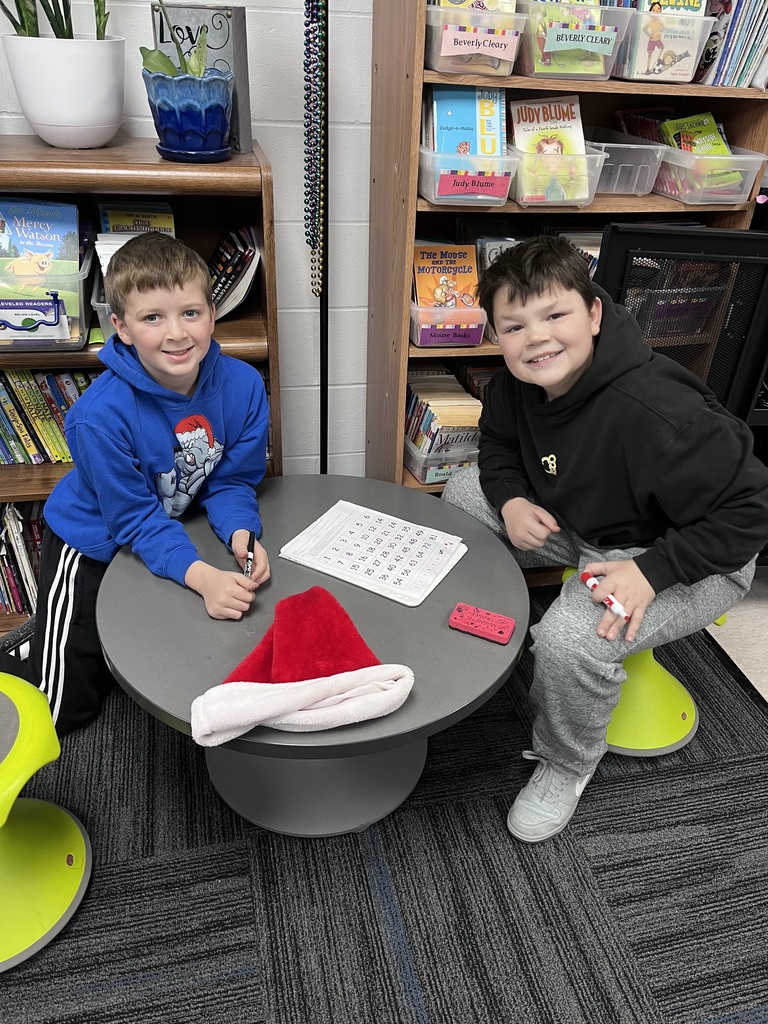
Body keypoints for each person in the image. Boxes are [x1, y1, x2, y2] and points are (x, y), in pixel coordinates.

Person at [443, 234, 768, 843]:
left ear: (594, 313)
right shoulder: (516, 383)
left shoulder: (660, 411)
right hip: (587, 524)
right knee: (465, 494)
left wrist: (651, 572)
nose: (536, 338)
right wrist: (512, 498)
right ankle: (482, 628)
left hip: (693, 555)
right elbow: (499, 447)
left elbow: (752, 513)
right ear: (496, 335)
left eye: (555, 315)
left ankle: (566, 764)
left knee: (569, 641)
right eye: (514, 326)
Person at [29, 231, 271, 736]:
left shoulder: (245, 385)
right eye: (152, 318)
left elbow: (230, 481)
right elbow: (134, 520)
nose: (177, 334)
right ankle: (30, 648)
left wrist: (242, 534)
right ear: (120, 327)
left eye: (191, 312)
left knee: (148, 662)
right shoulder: (96, 417)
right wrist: (203, 577)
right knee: (65, 708)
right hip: (92, 544)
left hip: (169, 519)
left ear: (212, 312)